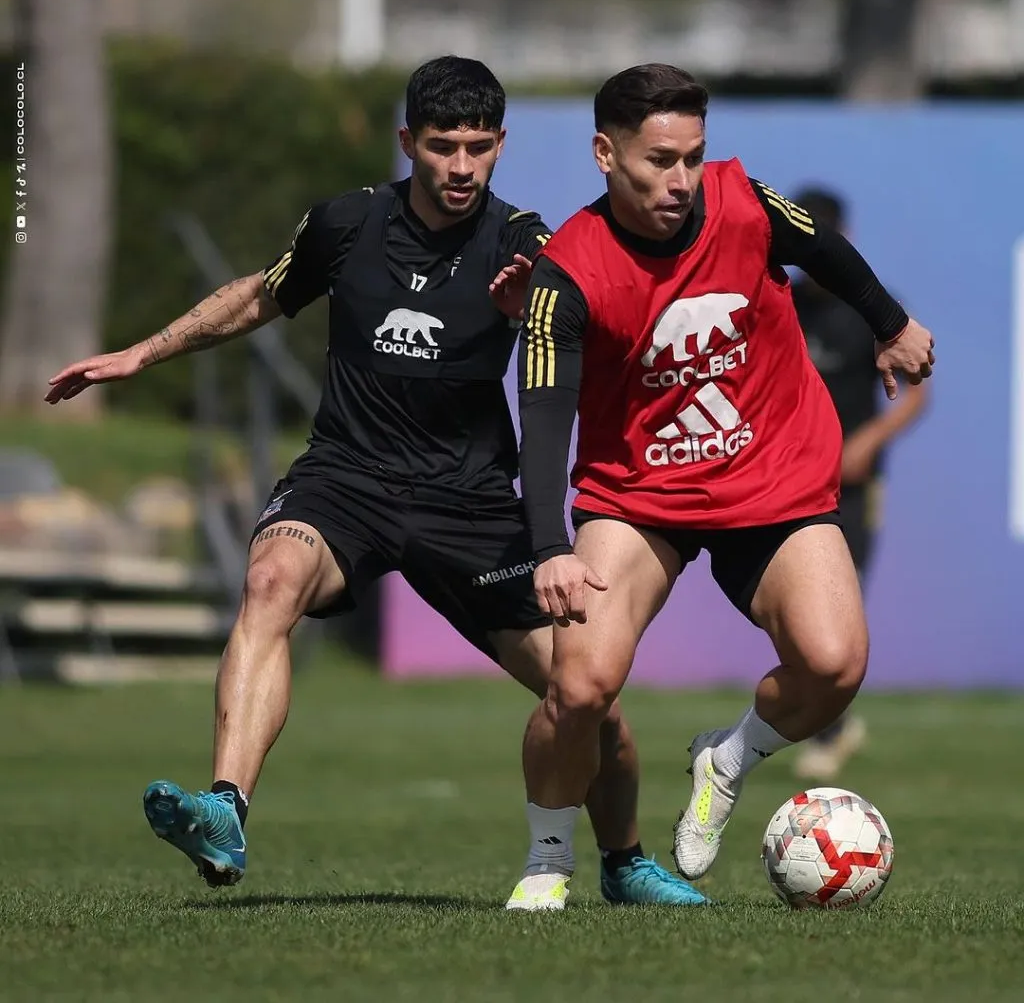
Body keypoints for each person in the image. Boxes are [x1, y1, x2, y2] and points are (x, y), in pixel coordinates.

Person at [45, 56, 705, 908]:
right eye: (441, 147)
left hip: (469, 503)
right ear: (407, 143)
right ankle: (225, 808)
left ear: (501, 144)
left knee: (587, 694)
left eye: (477, 147)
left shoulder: (527, 244)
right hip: (346, 478)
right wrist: (143, 352)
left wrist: (528, 308)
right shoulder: (346, 224)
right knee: (270, 580)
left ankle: (625, 863)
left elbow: (593, 338)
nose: (461, 167)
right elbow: (260, 297)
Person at [499, 63, 933, 909]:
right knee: (580, 682)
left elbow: (824, 251)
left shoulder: (744, 201)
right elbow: (543, 416)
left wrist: (892, 324)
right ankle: (549, 863)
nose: (681, 180)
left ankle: (726, 760)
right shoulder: (566, 273)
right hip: (637, 497)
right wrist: (549, 547)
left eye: (693, 157)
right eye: (659, 160)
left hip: (770, 476)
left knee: (835, 666)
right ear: (603, 153)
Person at [788, 186, 928, 780]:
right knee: (799, 610)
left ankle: (832, 728)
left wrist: (867, 441)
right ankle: (829, 724)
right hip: (792, 482)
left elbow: (915, 394)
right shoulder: (778, 301)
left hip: (854, 486)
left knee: (841, 606)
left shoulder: (871, 306)